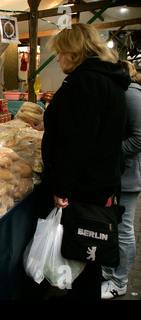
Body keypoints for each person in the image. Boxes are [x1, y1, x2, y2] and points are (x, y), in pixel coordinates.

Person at [39, 23, 131, 299]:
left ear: (75, 52)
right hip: (101, 180)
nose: (58, 59)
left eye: (61, 53)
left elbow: (77, 143)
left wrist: (62, 188)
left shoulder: (85, 82)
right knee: (89, 259)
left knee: (83, 255)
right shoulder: (109, 79)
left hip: (86, 186)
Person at [101, 60, 141, 299]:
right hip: (115, 174)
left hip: (127, 175)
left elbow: (139, 139)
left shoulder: (132, 94)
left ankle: (120, 282)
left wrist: (109, 152)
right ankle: (109, 271)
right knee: (112, 226)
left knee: (124, 229)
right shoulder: (119, 93)